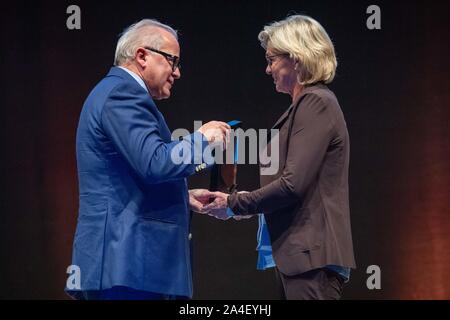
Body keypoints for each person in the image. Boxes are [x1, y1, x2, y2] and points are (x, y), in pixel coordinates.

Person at [66, 19, 230, 300]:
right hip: (127, 264)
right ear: (142, 56)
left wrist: (181, 195)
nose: (177, 73)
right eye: (172, 61)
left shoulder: (118, 93)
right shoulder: (122, 93)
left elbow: (130, 171)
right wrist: (202, 138)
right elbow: (154, 162)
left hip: (129, 267)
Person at [205, 15, 356, 300]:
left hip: (312, 260)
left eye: (272, 58)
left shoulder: (315, 102)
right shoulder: (304, 106)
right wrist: (247, 204)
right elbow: (294, 185)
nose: (267, 68)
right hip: (301, 260)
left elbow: (291, 185)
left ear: (296, 58)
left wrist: (235, 204)